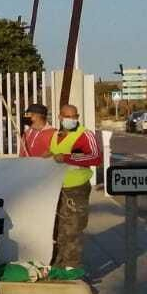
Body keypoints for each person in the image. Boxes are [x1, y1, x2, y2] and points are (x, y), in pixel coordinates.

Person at [48, 104, 101, 280]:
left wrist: (68, 157)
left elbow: (96, 157)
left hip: (76, 188)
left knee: (73, 228)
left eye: (74, 116)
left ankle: (72, 267)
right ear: (60, 116)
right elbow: (54, 155)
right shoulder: (56, 135)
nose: (71, 119)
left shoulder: (85, 134)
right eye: (67, 116)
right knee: (58, 229)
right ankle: (58, 264)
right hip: (57, 189)